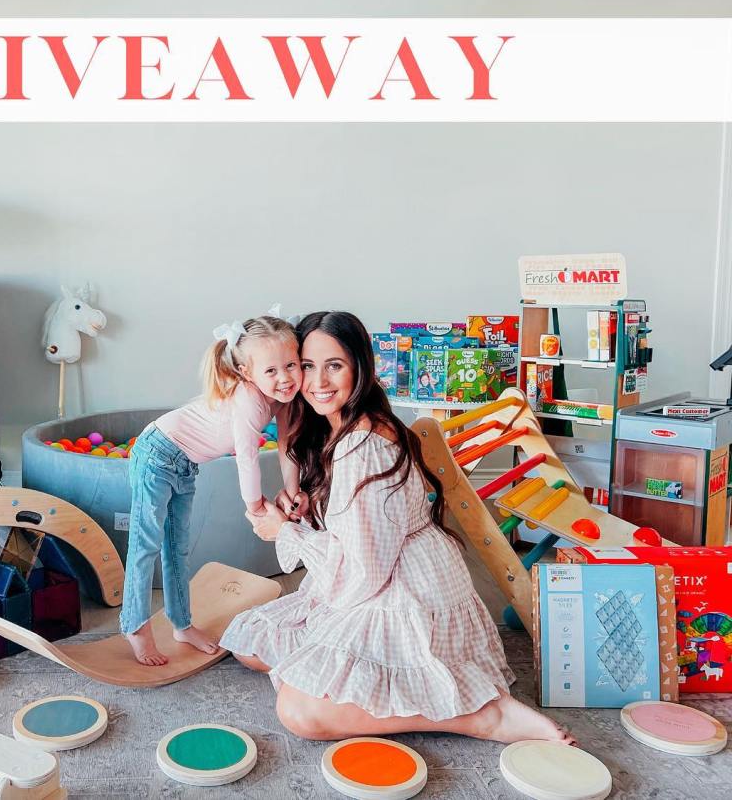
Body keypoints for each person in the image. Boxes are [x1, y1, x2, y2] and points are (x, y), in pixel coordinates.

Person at [220, 311, 573, 745]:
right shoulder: (338, 426)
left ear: (360, 368)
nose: (317, 382)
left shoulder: (362, 443)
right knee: (252, 644)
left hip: (401, 589)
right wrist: (309, 504)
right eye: (306, 366)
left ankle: (482, 716)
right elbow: (356, 518)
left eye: (334, 365)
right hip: (377, 572)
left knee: (298, 711)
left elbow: (364, 574)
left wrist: (286, 533)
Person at [121, 314, 306, 666]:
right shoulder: (249, 399)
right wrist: (255, 507)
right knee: (145, 544)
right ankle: (135, 626)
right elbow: (246, 457)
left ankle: (181, 625)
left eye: (291, 365)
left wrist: (292, 490)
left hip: (184, 464)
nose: (284, 378)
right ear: (247, 372)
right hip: (157, 453)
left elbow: (288, 444)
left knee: (176, 548)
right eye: (271, 370)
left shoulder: (284, 399)